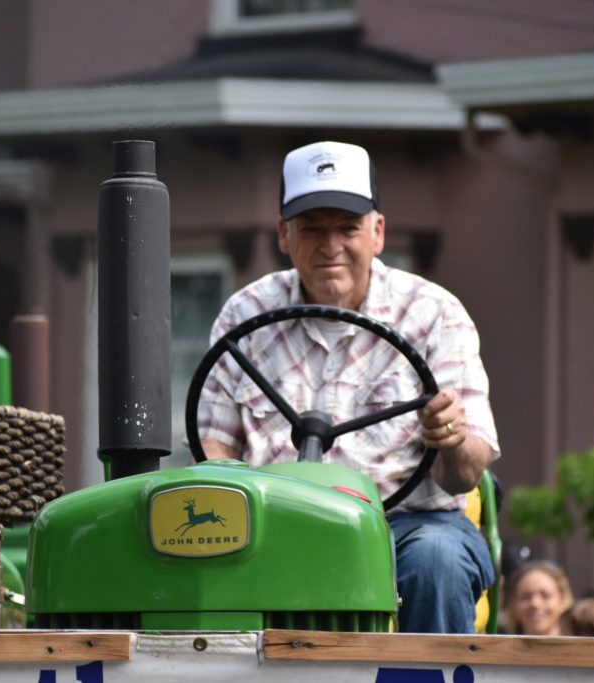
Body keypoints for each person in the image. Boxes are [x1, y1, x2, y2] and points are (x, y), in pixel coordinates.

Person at [196, 140, 500, 633]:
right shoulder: (244, 317)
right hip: (273, 526)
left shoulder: (433, 314)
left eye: (347, 227)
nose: (330, 244)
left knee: (437, 563)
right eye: (312, 229)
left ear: (377, 232)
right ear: (283, 234)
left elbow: (465, 474)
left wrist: (451, 436)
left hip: (406, 526)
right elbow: (213, 452)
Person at [504, 560, 574, 636]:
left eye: (545, 596)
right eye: (526, 597)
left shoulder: (583, 647)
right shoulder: (497, 647)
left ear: (563, 600)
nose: (535, 604)